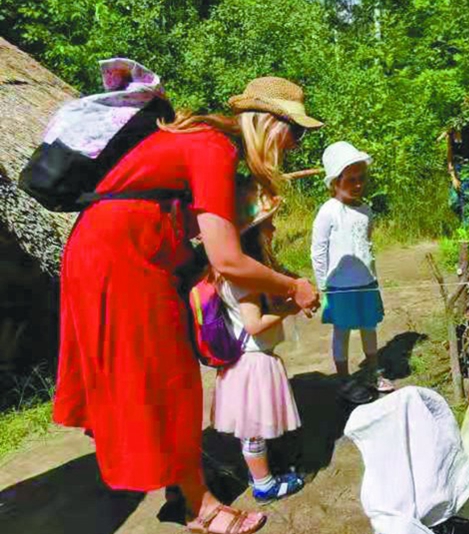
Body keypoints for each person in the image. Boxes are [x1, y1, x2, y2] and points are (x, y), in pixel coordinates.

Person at [53, 76, 321, 534]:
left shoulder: (203, 140)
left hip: (117, 251)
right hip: (121, 258)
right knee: (168, 379)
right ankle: (201, 509)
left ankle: (182, 485)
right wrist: (292, 284)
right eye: (294, 132)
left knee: (162, 375)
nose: (295, 145)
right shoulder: (215, 147)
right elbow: (228, 259)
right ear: (269, 123)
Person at [211, 193, 304, 503]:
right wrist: (289, 310)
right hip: (253, 360)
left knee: (253, 427)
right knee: (253, 429)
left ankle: (260, 472)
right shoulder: (245, 278)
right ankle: (264, 483)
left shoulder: (234, 274)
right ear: (252, 234)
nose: (274, 230)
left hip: (246, 359)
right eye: (269, 225)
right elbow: (253, 323)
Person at [310, 141, 393, 402]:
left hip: (366, 282)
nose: (358, 184)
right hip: (340, 287)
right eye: (351, 179)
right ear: (335, 182)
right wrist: (324, 286)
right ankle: (344, 378)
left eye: (361, 178)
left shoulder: (366, 211)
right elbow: (318, 251)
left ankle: (372, 369)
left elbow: (367, 248)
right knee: (342, 330)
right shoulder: (328, 212)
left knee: (369, 327)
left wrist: (375, 281)